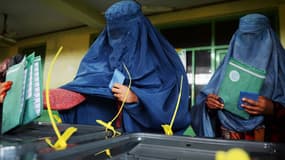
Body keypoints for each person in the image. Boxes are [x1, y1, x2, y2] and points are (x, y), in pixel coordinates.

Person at [52, 0, 191, 134]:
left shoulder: (164, 61)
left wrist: (137, 99)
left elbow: (174, 108)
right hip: (102, 140)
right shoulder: (96, 58)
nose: (119, 40)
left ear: (140, 28)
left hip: (143, 145)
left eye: (126, 33)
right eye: (114, 33)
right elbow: (83, 85)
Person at [191, 13, 285, 142]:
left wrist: (273, 108)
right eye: (244, 37)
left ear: (270, 37)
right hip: (227, 149)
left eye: (257, 37)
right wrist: (209, 105)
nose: (249, 44)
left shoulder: (281, 71)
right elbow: (200, 108)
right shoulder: (224, 71)